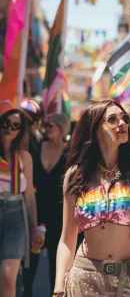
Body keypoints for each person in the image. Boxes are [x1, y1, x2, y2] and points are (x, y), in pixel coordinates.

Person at [53, 99, 130, 297]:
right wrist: (59, 284)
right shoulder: (76, 175)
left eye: (124, 118)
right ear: (95, 130)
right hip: (85, 277)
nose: (122, 124)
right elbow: (67, 238)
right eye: (112, 119)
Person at [0, 108, 43, 297]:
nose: (10, 128)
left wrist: (34, 229)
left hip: (16, 216)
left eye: (16, 125)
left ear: (21, 130)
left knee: (8, 274)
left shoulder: (24, 157)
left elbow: (30, 197)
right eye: (6, 123)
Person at [34, 113, 70, 293]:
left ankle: (54, 293)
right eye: (46, 125)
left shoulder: (69, 150)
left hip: (58, 212)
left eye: (51, 125)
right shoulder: (38, 146)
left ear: (62, 128)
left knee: (56, 259)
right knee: (32, 257)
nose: (47, 128)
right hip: (36, 208)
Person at [19, 99, 44, 297]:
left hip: (35, 206)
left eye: (28, 121)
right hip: (11, 206)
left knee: (32, 254)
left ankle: (27, 289)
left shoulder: (40, 146)